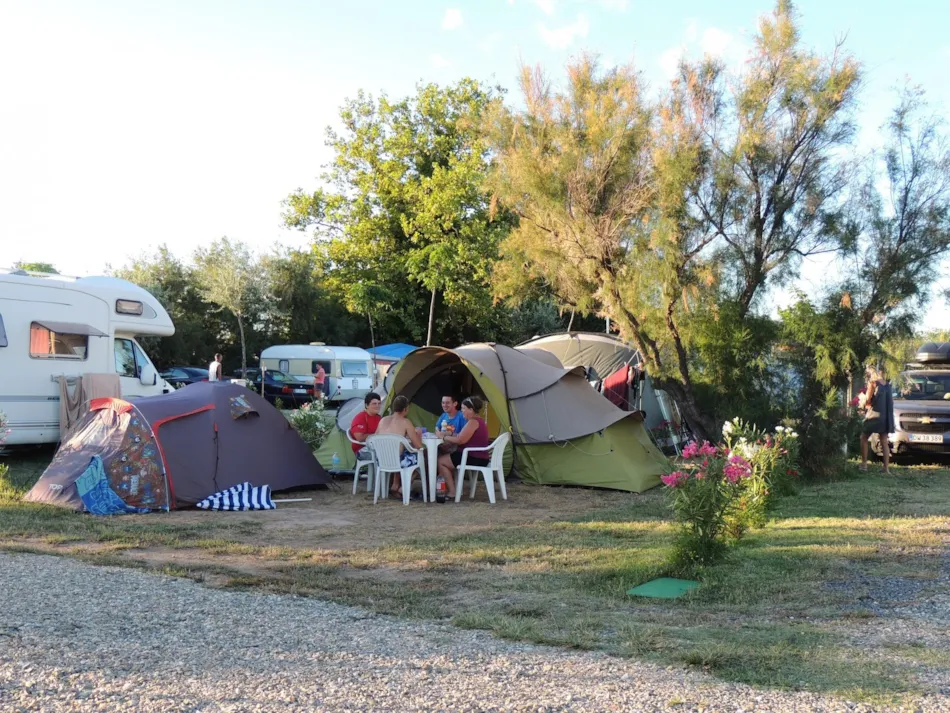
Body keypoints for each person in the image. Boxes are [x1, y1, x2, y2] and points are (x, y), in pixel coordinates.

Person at [437, 396, 491, 499]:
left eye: (463, 408)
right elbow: (461, 435)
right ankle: (445, 489)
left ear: (471, 410)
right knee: (447, 457)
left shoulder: (473, 422)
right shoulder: (478, 421)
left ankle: (452, 492)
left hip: (473, 457)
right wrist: (450, 434)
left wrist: (443, 437)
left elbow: (460, 440)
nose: (461, 411)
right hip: (479, 456)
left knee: (441, 461)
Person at [377, 394, 425, 499]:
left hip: (381, 460)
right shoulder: (405, 422)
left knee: (402, 454)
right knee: (422, 457)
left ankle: (395, 484)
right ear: (405, 409)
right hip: (398, 460)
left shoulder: (382, 420)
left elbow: (375, 437)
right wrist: (419, 434)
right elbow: (418, 446)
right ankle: (403, 487)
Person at [861, 366, 894, 474]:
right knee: (884, 441)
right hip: (886, 416)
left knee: (864, 437)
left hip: (874, 416)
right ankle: (886, 468)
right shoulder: (888, 385)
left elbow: (868, 399)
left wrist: (861, 399)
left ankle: (864, 465)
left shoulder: (873, 383)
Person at [349, 392, 382, 464]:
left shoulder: (378, 417)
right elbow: (360, 438)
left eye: (379, 403)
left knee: (395, 452)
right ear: (367, 405)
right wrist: (377, 434)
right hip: (362, 449)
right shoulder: (361, 417)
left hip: (375, 446)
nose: (377, 406)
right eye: (374, 403)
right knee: (389, 455)